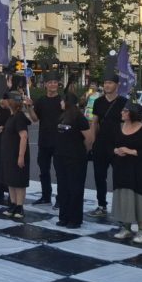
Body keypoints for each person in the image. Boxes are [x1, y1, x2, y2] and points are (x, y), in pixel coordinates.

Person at [111, 104, 142, 244]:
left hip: (140, 170)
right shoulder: (119, 127)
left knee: (140, 199)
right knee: (125, 198)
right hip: (122, 169)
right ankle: (126, 227)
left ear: (133, 113)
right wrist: (116, 150)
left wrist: (130, 151)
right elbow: (111, 144)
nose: (122, 112)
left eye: (125, 110)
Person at [90, 65, 127, 217]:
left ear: (117, 85)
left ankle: (121, 208)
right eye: (105, 83)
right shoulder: (98, 102)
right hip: (100, 144)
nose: (106, 85)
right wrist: (93, 142)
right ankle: (101, 205)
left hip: (118, 145)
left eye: (110, 83)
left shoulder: (123, 102)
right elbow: (94, 123)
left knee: (120, 178)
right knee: (99, 176)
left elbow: (127, 124)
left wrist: (125, 144)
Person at [55, 88, 93, 228]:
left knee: (75, 188)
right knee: (63, 187)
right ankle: (63, 216)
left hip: (76, 158)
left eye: (62, 101)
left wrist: (83, 151)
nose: (60, 103)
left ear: (67, 102)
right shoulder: (62, 116)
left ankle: (75, 219)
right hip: (60, 156)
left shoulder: (79, 117)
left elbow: (89, 138)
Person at [28, 71, 63, 206]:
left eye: (55, 82)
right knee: (43, 171)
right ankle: (45, 196)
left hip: (60, 141)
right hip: (44, 141)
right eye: (50, 82)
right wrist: (29, 107)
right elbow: (35, 119)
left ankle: (60, 198)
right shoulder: (41, 101)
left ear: (58, 84)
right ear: (46, 85)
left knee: (60, 172)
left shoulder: (62, 100)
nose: (53, 84)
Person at [0, 91, 32, 220]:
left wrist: (21, 156)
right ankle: (13, 204)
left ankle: (19, 206)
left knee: (19, 181)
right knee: (11, 180)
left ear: (11, 102)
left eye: (6, 99)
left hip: (16, 154)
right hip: (9, 154)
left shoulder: (19, 117)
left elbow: (23, 136)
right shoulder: (12, 116)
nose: (3, 101)